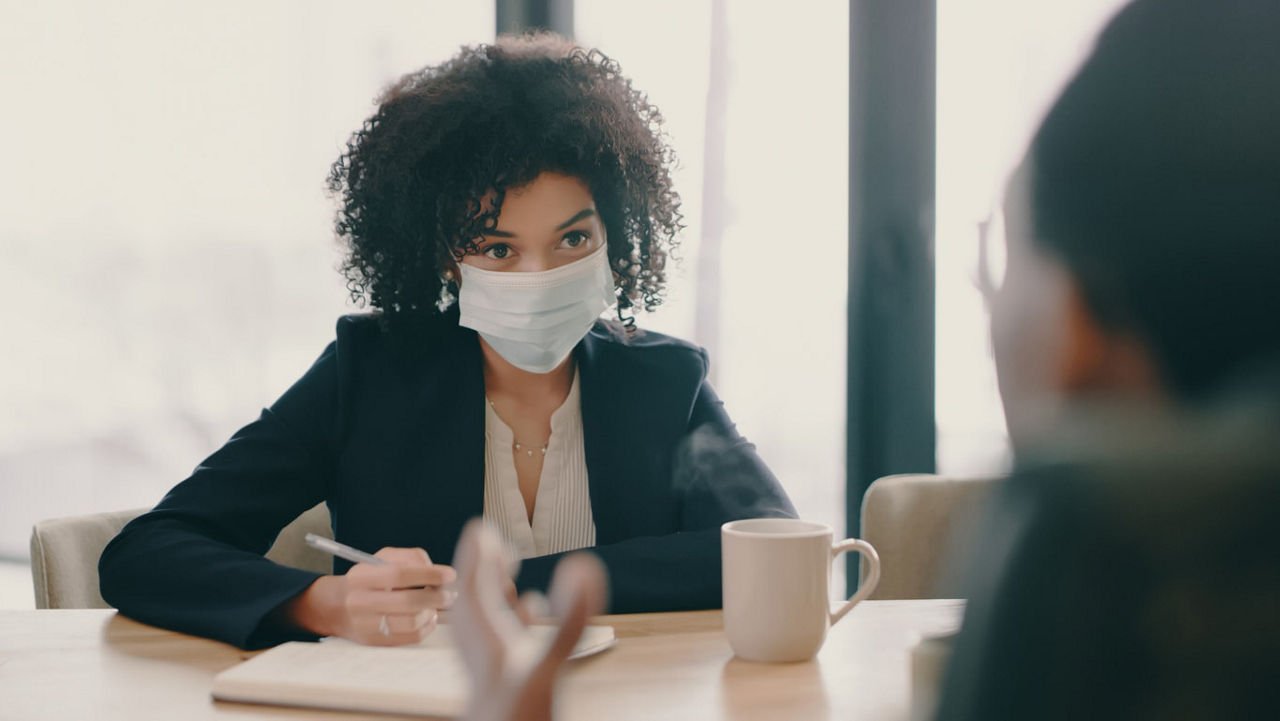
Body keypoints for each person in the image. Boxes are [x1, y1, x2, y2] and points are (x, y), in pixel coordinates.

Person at [446, 0, 1280, 717]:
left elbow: (770, 530)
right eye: (497, 247)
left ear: (1079, 332)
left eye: (1002, 259)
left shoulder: (1083, 564)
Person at [97, 32, 796, 651]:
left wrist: (506, 586)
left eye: (573, 239)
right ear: (443, 260)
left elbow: (777, 550)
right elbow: (147, 553)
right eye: (496, 247)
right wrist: (323, 602)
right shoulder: (366, 373)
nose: (539, 275)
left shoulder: (664, 381)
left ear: (616, 239)